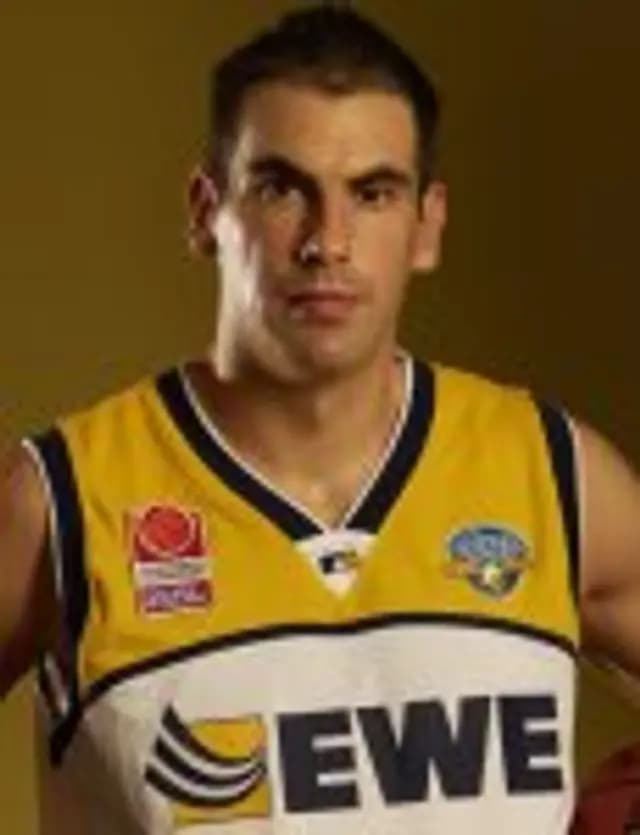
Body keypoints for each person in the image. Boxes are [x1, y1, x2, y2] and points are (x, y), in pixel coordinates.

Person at [1, 5, 639, 834]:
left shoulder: (553, 475)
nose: (328, 242)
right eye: (280, 188)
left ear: (426, 226)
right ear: (205, 210)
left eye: (373, 193)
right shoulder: (63, 500)